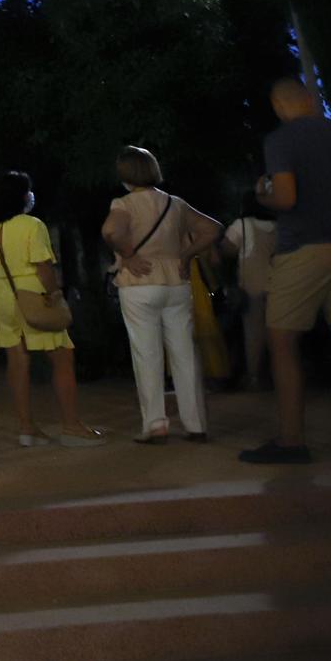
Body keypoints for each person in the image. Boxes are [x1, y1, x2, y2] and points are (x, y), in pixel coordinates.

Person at [243, 79, 331, 464]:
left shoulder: (281, 141)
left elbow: (286, 197)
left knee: (284, 342)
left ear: (279, 105)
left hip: (304, 248)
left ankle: (292, 440)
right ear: (313, 100)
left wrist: (262, 194)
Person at [0, 171, 105, 448]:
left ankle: (27, 429)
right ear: (22, 196)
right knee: (62, 356)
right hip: (34, 294)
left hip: (4, 296)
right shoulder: (33, 225)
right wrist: (55, 293)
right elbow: (43, 265)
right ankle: (71, 426)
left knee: (17, 362)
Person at [101, 146, 220, 444]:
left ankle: (155, 424)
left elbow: (110, 231)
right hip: (176, 282)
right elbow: (212, 228)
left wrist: (127, 254)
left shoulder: (124, 203)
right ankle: (196, 424)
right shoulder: (175, 204)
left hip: (139, 283)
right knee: (184, 353)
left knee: (147, 354)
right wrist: (187, 254)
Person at [217, 191, 276, 390]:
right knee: (278, 334)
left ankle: (254, 377)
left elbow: (227, 250)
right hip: (279, 285)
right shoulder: (279, 226)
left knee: (253, 334)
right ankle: (276, 375)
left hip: (252, 287)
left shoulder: (242, 225)